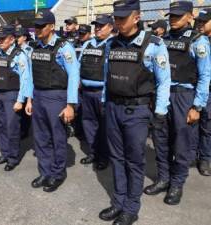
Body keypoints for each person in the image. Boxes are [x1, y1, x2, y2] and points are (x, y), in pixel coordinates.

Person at [98, 1, 171, 225]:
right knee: (117, 159)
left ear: (136, 17)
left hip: (137, 111)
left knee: (134, 161)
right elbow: (106, 76)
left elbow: (164, 81)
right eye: (116, 18)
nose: (117, 22)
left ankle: (131, 207)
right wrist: (104, 101)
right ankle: (118, 202)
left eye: (122, 18)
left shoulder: (154, 45)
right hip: (113, 108)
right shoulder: (111, 44)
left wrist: (159, 113)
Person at [144, 1, 211, 205]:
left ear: (190, 17)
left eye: (179, 16)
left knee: (182, 143)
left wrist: (197, 106)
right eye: (171, 15)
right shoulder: (161, 40)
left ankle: (177, 183)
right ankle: (163, 178)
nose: (173, 19)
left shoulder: (198, 42)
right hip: (162, 96)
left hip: (184, 96)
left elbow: (204, 76)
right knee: (161, 140)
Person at [26, 11, 79, 192]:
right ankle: (45, 171)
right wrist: (29, 99)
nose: (37, 29)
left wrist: (70, 105)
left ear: (52, 27)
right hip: (39, 95)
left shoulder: (64, 48)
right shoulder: (36, 46)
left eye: (41, 26)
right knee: (40, 137)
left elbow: (73, 76)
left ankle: (57, 173)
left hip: (57, 97)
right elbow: (31, 76)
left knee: (57, 137)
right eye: (36, 26)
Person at [0, 25, 33, 171]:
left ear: (11, 39)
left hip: (12, 95)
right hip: (1, 94)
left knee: (12, 127)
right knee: (0, 126)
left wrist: (20, 100)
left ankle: (13, 158)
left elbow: (25, 79)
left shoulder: (19, 55)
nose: (0, 41)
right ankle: (4, 153)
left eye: (3, 39)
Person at [78, 14, 114, 170]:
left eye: (101, 25)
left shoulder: (112, 45)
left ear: (110, 27)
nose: (97, 28)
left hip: (103, 92)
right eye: (96, 25)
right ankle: (93, 153)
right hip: (87, 92)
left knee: (105, 127)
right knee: (89, 124)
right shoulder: (88, 44)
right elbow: (80, 65)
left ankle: (104, 157)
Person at [194, 8, 211, 176]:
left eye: (203, 22)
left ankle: (205, 158)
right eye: (198, 21)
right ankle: (191, 154)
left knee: (207, 126)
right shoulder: (195, 40)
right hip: (196, 88)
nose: (199, 24)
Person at [15, 27, 34, 138]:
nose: (16, 38)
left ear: (25, 38)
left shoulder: (29, 51)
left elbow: (30, 71)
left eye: (19, 36)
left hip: (27, 82)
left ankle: (24, 130)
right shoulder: (15, 50)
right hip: (16, 83)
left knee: (25, 109)